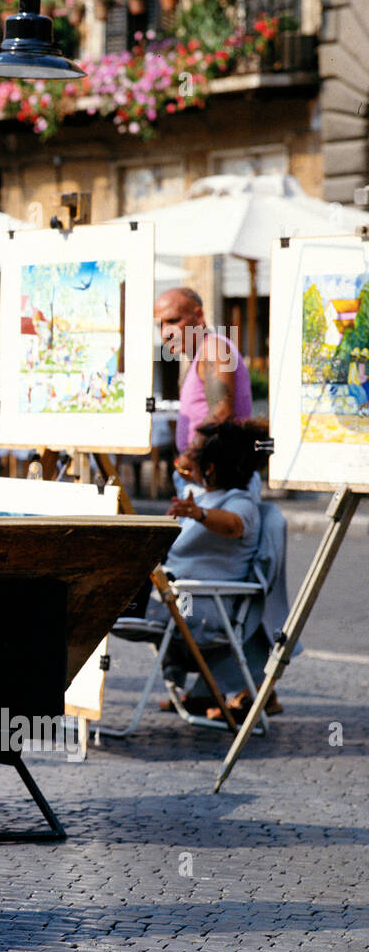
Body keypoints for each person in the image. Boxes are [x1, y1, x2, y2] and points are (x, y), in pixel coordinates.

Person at [152, 420, 279, 718]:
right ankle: (204, 692)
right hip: (182, 600)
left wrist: (199, 514)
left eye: (196, 453)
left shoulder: (240, 503)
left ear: (210, 467)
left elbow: (233, 524)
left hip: (201, 608)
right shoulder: (199, 494)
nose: (187, 459)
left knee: (115, 605)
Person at [154, 287, 253, 493]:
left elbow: (221, 412)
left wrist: (189, 457)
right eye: (160, 325)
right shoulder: (201, 352)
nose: (165, 332)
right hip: (205, 478)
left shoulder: (213, 348)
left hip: (215, 481)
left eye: (173, 321)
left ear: (198, 316)